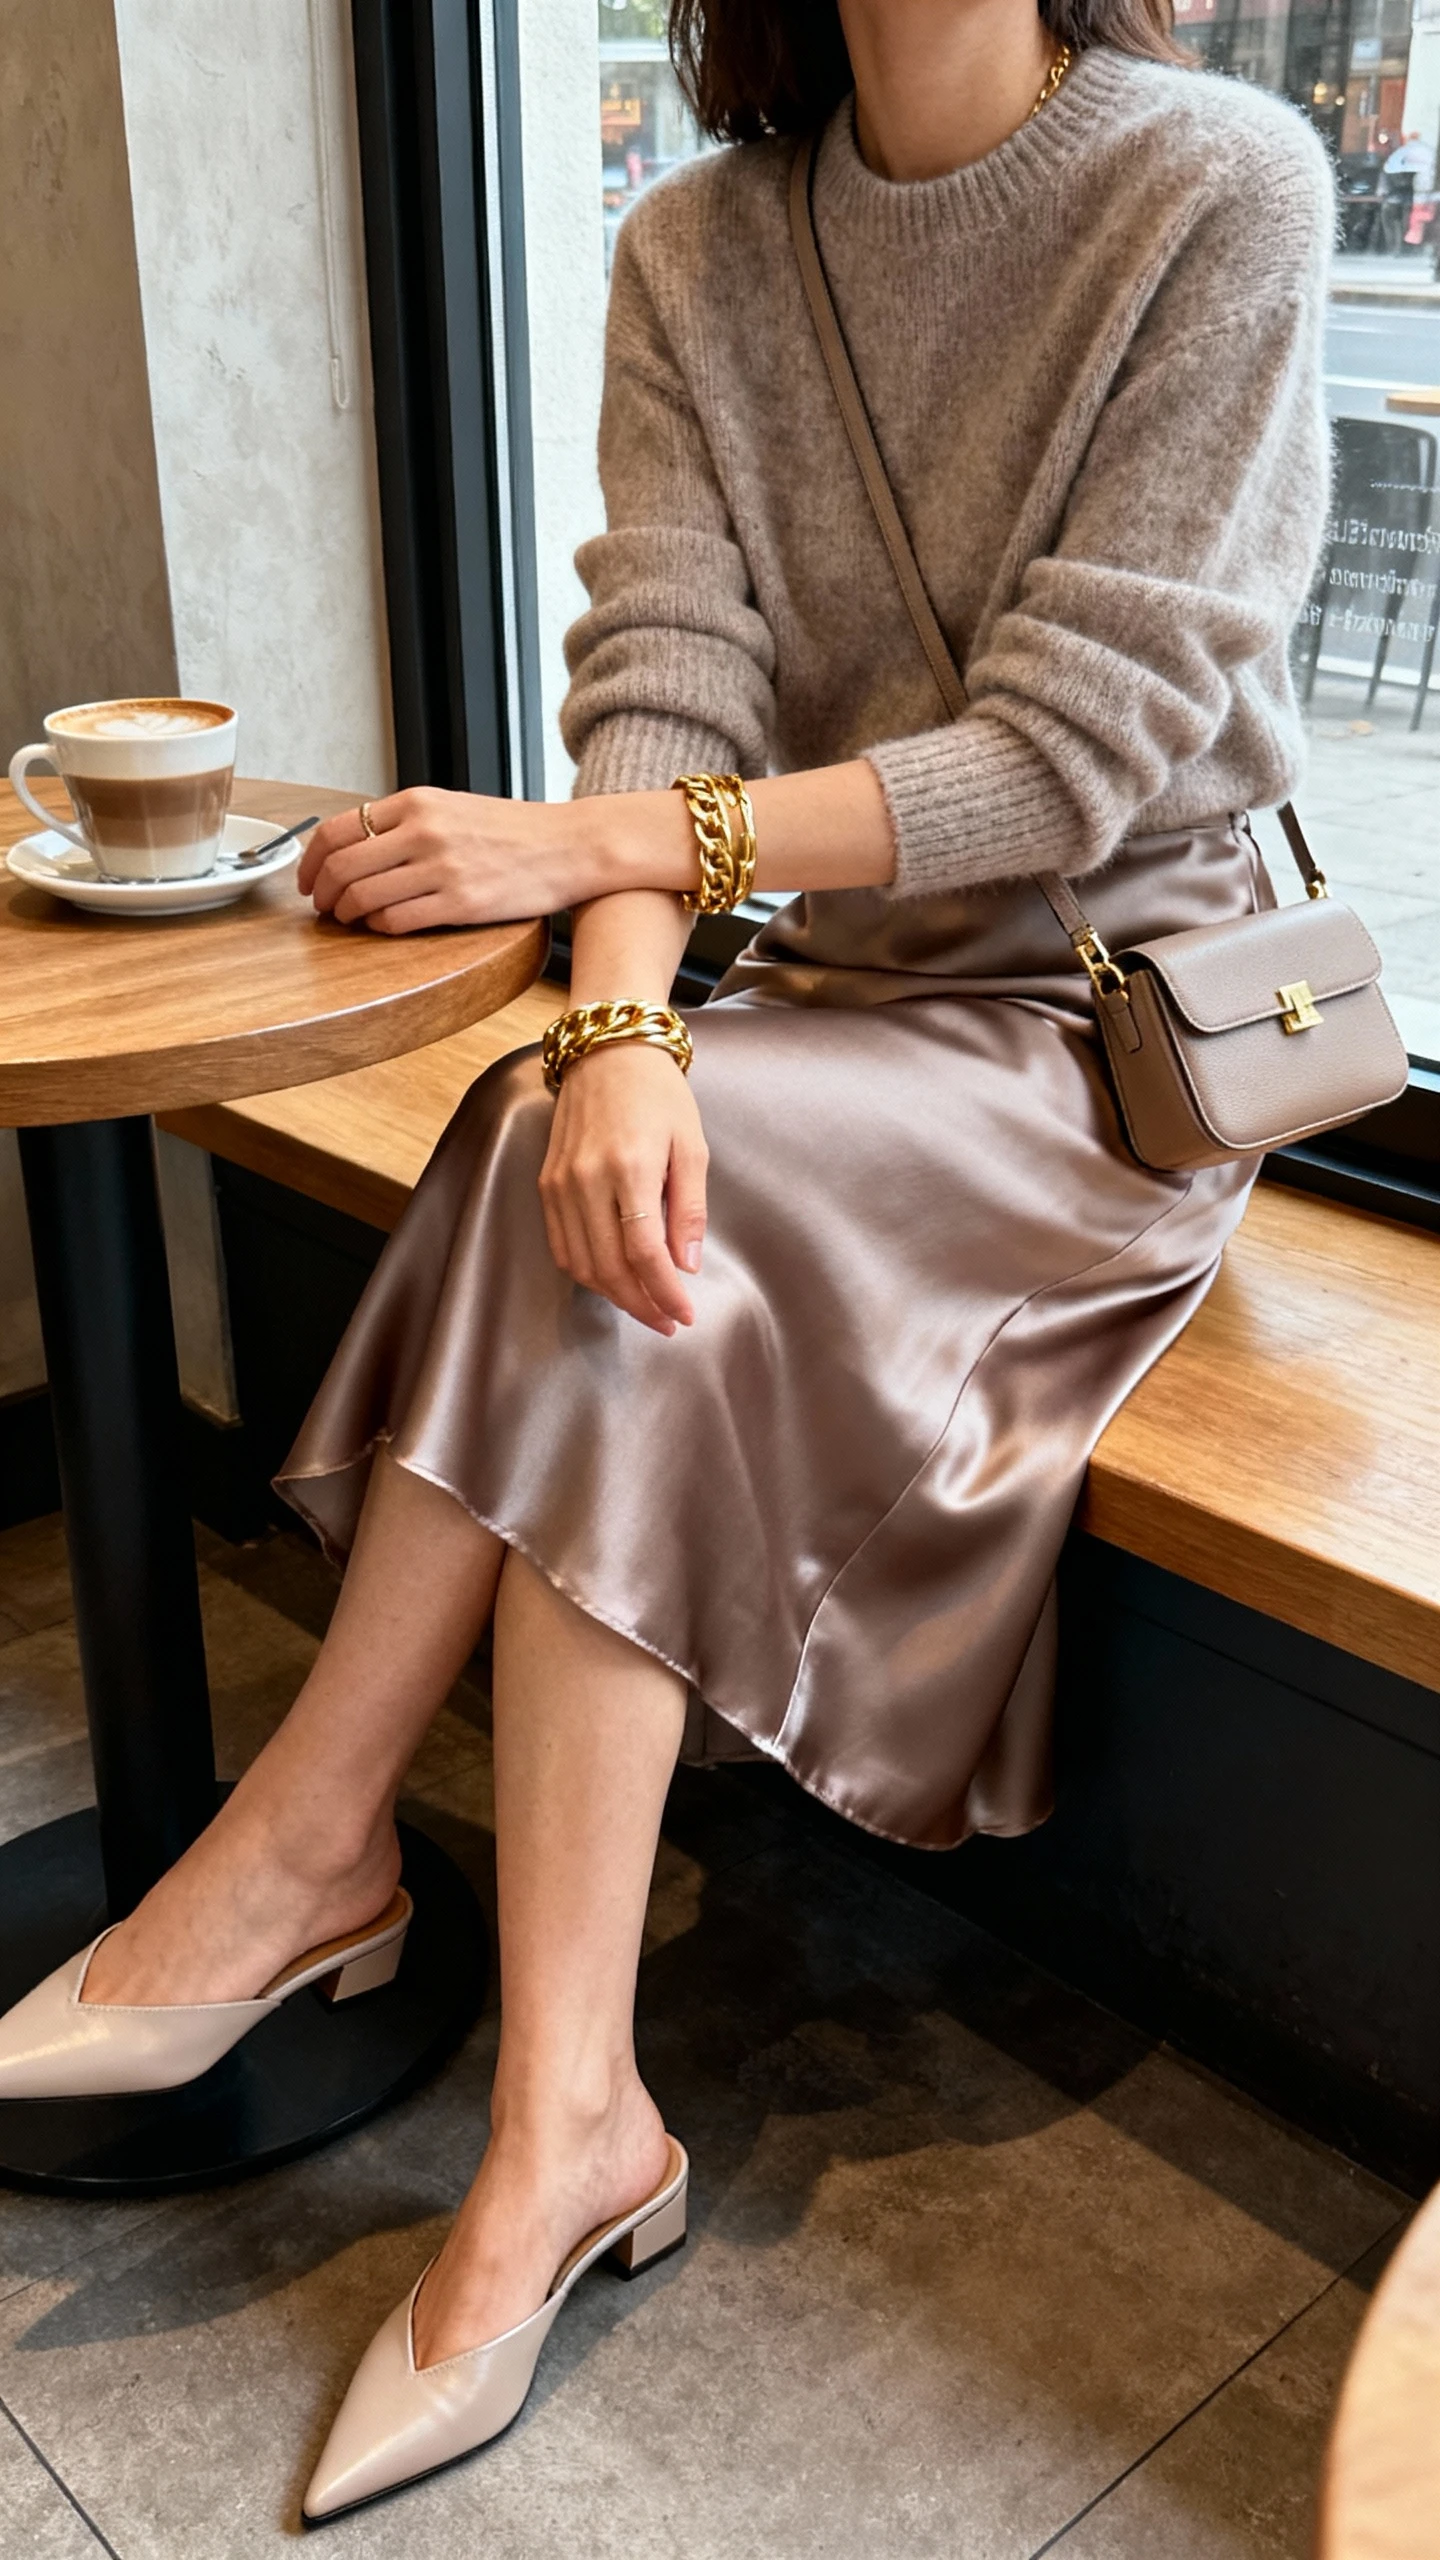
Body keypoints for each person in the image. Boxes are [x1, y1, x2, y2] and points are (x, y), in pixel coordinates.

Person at [0, 0, 1333, 2523]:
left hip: (1095, 1027)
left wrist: (600, 882)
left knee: (647, 1231)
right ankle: (554, 2095)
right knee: (583, 1164)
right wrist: (620, 1024)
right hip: (824, 998)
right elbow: (661, 701)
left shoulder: (1219, 186)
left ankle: (328, 1874)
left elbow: (1072, 758)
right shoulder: (700, 246)